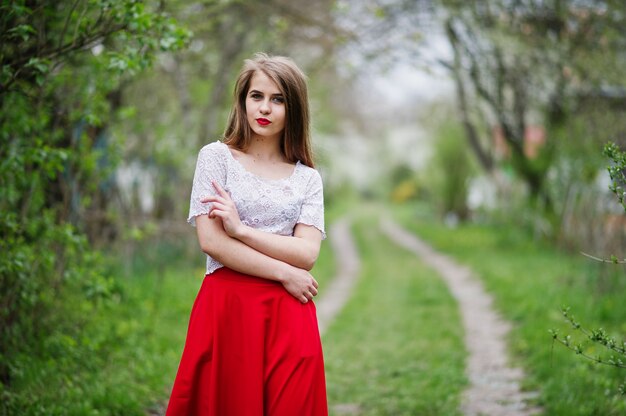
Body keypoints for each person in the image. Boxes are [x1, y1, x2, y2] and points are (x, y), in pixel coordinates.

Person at [165, 52, 328, 416]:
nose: (264, 108)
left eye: (278, 99)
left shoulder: (308, 178)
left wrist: (240, 229)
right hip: (228, 309)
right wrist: (285, 272)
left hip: (289, 314)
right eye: (256, 96)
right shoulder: (216, 158)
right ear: (242, 101)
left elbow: (306, 254)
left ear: (294, 108)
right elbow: (212, 243)